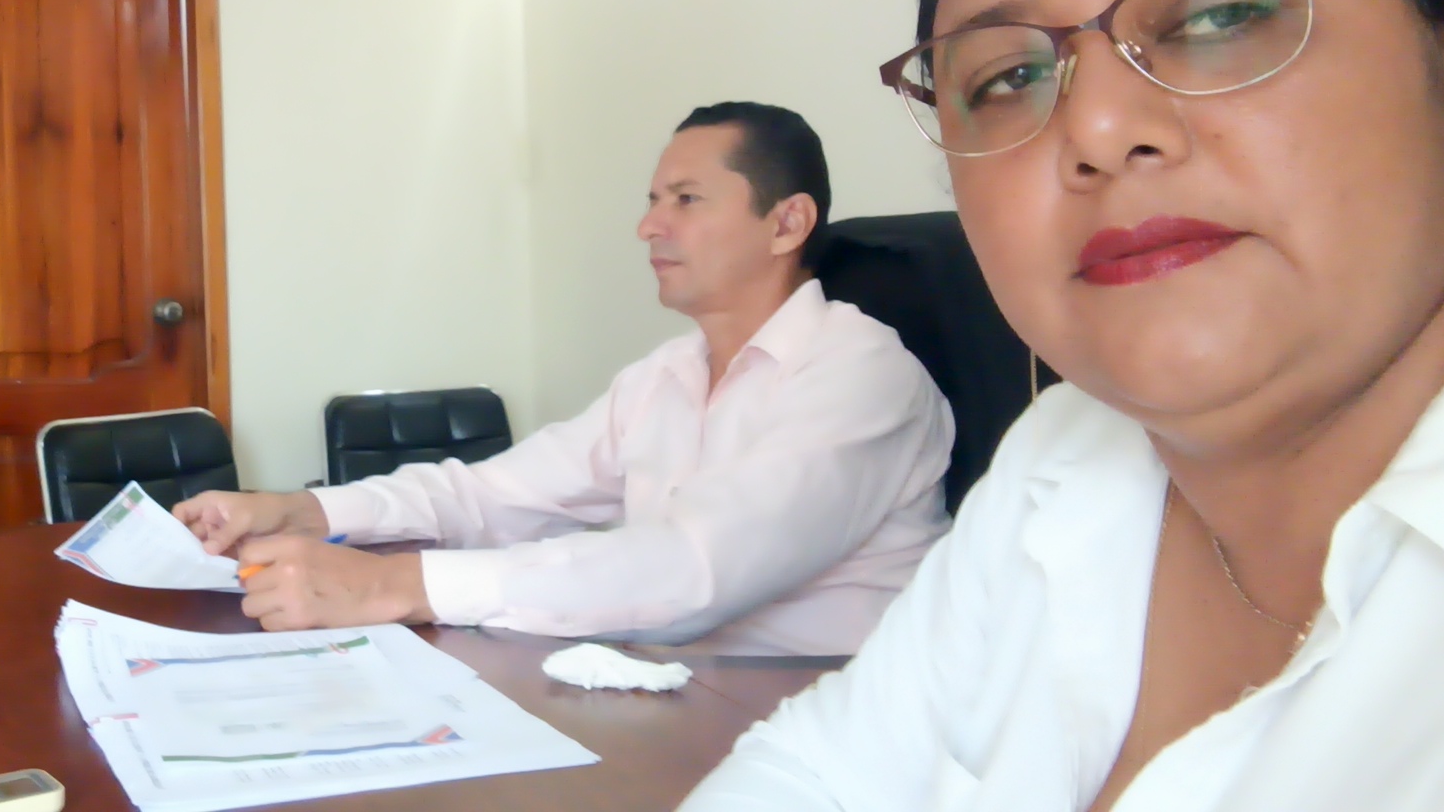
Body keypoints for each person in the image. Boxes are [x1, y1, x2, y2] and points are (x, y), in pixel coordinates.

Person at [684, 0, 1444, 811]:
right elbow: (814, 777)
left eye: (1218, 15)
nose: (1097, 128)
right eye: (1009, 77)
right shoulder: (1060, 463)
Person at [177, 103, 953, 654]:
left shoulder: (860, 372)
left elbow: (696, 569)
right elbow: (492, 496)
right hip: (681, 698)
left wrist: (395, 584)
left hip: (824, 719)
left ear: (787, 223)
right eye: (652, 202)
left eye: (686, 200)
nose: (649, 226)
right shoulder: (664, 376)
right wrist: (302, 510)